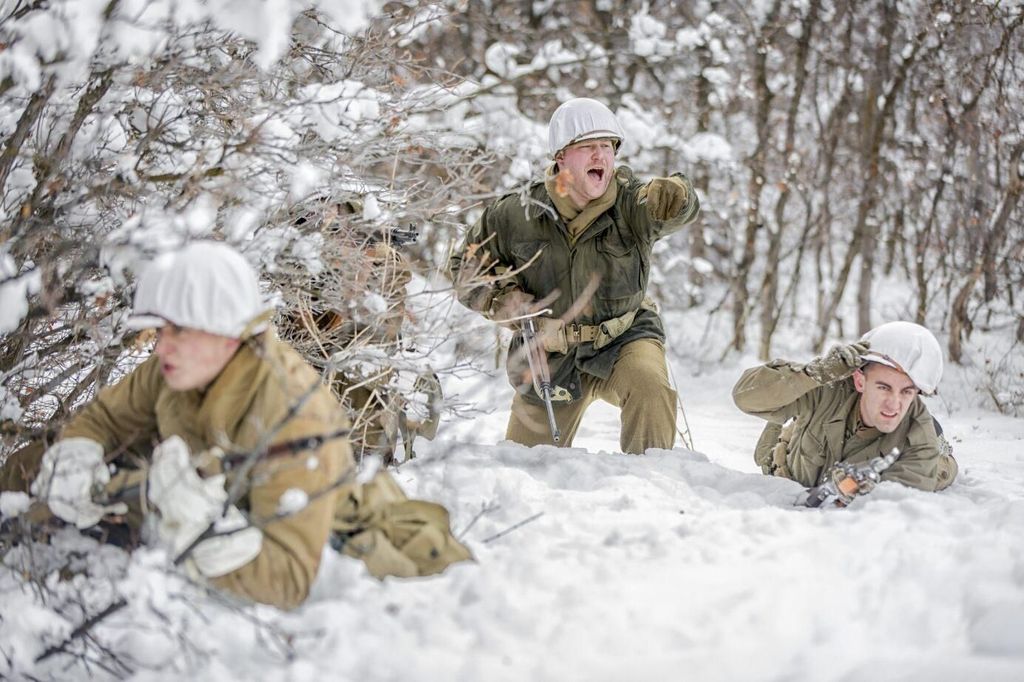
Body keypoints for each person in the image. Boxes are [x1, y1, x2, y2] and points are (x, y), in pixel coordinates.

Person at [1, 241, 469, 610]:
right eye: (160, 331)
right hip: (189, 491)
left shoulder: (290, 409)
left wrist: (198, 532)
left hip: (285, 525)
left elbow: (288, 580)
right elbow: (104, 419)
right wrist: (76, 457)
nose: (161, 346)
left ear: (227, 333)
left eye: (177, 330)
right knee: (37, 459)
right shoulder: (178, 364)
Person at [448, 97, 701, 454]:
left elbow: (674, 207)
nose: (601, 156)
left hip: (623, 338)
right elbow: (464, 266)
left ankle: (655, 489)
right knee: (524, 465)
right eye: (588, 147)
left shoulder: (633, 204)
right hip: (550, 356)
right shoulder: (517, 213)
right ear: (561, 156)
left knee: (650, 387)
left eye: (607, 146)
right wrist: (501, 299)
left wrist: (677, 196)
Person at [732, 321, 959, 498]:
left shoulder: (914, 438)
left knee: (937, 466)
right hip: (783, 467)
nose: (893, 403)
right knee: (764, 452)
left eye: (907, 392)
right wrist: (811, 374)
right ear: (860, 380)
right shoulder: (828, 387)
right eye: (883, 387)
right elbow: (745, 396)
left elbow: (905, 499)